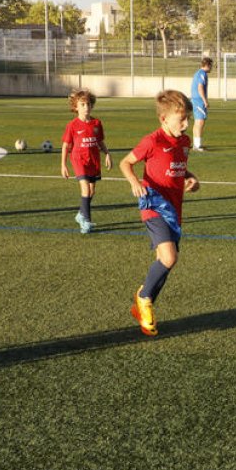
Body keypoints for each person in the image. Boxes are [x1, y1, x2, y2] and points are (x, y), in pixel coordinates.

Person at [119, 90, 200, 336]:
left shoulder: (184, 143)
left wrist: (191, 177)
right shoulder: (152, 141)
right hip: (153, 204)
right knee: (169, 257)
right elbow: (126, 162)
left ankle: (142, 305)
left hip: (175, 209)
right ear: (164, 119)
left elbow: (178, 167)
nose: (186, 124)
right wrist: (134, 182)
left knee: (166, 261)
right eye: (182, 119)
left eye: (188, 119)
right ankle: (144, 298)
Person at [60, 90, 113, 234]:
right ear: (76, 107)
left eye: (88, 104)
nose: (86, 107)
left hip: (93, 160)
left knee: (92, 190)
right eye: (82, 104)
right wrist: (63, 164)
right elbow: (66, 145)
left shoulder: (97, 123)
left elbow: (100, 141)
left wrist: (107, 154)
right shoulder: (72, 125)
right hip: (79, 160)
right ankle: (86, 221)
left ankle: (80, 213)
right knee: (85, 189)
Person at [190, 58, 211, 151]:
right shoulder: (202, 74)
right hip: (199, 101)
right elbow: (200, 87)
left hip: (194, 100)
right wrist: (205, 100)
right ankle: (197, 146)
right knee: (200, 122)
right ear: (207, 65)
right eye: (211, 65)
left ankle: (196, 144)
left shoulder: (197, 73)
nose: (211, 68)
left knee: (197, 122)